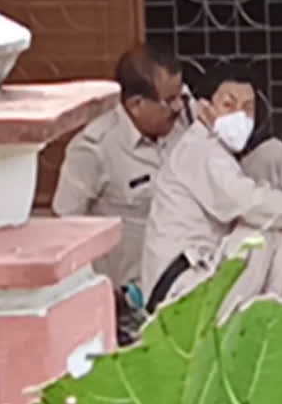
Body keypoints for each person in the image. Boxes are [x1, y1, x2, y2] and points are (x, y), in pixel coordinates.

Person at [140, 63, 282, 343]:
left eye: (248, 107)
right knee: (269, 228)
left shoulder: (214, 149)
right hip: (180, 296)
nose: (240, 115)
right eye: (229, 105)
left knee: (279, 227)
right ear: (204, 110)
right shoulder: (200, 151)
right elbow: (248, 202)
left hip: (200, 278)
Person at [53, 42, 195, 290]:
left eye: (180, 96)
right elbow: (65, 230)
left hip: (191, 279)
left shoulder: (188, 127)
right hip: (131, 294)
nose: (178, 108)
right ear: (135, 104)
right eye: (169, 100)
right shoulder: (94, 149)